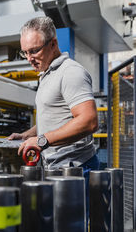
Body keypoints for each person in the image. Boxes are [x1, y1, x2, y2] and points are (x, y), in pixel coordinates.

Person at [8, 17, 99, 223]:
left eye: (34, 51)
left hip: (75, 170)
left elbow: (89, 120)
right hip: (56, 168)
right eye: (25, 52)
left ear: (53, 44)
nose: (29, 58)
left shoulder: (70, 73)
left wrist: (42, 140)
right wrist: (28, 135)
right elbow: (55, 116)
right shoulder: (47, 75)